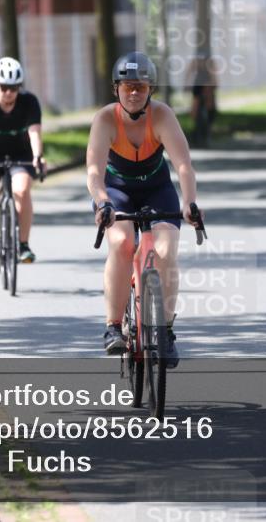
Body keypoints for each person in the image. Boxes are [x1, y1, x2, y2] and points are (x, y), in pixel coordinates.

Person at [86, 51, 199, 367]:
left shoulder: (162, 116)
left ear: (151, 90)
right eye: (127, 86)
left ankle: (166, 331)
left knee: (165, 251)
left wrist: (190, 202)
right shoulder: (105, 119)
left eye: (141, 87)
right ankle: (113, 327)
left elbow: (184, 165)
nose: (134, 93)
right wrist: (102, 202)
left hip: (157, 189)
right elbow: (94, 172)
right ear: (116, 89)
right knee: (123, 243)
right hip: (116, 192)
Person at [0, 57, 44, 263]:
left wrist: (37, 156)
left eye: (13, 88)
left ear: (19, 87)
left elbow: (34, 132)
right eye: (4, 87)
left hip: (21, 155)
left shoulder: (29, 102)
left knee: (21, 190)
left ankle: (23, 245)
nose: (8, 93)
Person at [186, 54, 218, 146]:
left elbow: (213, 73)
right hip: (200, 86)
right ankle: (199, 132)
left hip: (207, 84)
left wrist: (214, 83)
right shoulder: (197, 59)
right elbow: (189, 71)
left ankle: (207, 131)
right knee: (196, 109)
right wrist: (187, 83)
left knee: (209, 107)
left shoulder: (208, 60)